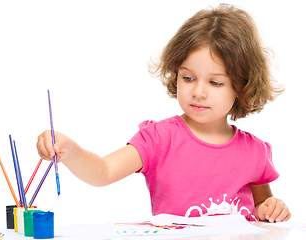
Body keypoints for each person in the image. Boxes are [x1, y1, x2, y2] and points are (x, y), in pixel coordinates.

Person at [36, 4, 291, 222]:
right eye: (188, 77)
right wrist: (70, 151)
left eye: (215, 82)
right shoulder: (158, 138)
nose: (198, 92)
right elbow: (103, 172)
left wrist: (272, 208)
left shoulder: (255, 152)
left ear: (242, 85)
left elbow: (262, 210)